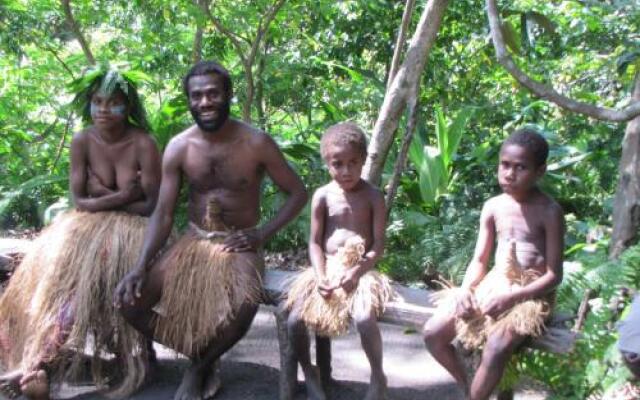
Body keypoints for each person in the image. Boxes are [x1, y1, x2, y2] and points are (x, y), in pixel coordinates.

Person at [114, 60, 308, 400]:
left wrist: (261, 234)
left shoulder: (256, 143)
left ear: (228, 94)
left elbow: (298, 193)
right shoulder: (180, 146)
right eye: (197, 95)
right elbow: (163, 213)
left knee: (246, 304)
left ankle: (197, 368)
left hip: (239, 243)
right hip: (194, 239)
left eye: (213, 94)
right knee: (130, 303)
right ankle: (202, 355)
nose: (205, 102)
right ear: (188, 100)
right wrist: (140, 266)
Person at [0, 67, 161, 399]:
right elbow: (80, 201)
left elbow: (150, 206)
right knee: (63, 286)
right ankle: (39, 360)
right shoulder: (82, 140)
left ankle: (141, 353)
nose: (103, 110)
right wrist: (122, 196)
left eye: (112, 102)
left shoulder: (143, 143)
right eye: (97, 102)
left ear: (127, 107)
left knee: (106, 273)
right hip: (85, 228)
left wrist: (102, 195)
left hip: (133, 232)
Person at [423, 128, 564, 400]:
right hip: (493, 285)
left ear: (540, 171)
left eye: (520, 167)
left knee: (497, 346)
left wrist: (513, 297)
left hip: (530, 296)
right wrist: (464, 291)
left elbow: (554, 275)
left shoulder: (549, 212)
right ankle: (470, 388)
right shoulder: (494, 206)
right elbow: (479, 259)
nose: (509, 173)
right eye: (505, 165)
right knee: (433, 334)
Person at [285, 122, 392, 400]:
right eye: (338, 164)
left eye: (353, 163)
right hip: (327, 268)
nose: (346, 171)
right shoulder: (322, 196)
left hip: (362, 271)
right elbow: (315, 242)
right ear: (327, 164)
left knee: (364, 318)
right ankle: (310, 374)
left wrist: (358, 271)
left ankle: (378, 376)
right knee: (294, 319)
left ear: (363, 161)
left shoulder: (373, 196)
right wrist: (321, 276)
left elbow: (378, 244)